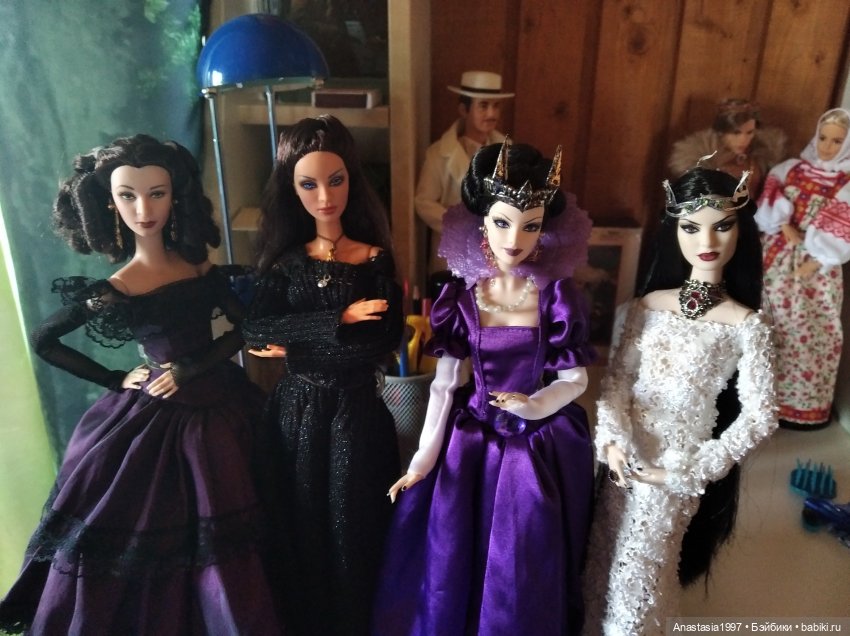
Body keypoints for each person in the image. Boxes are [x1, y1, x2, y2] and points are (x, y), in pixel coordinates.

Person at [0, 135, 282, 634]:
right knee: (146, 522)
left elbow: (244, 328)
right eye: (127, 195)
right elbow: (45, 341)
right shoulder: (120, 286)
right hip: (158, 415)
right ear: (110, 202)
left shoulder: (199, 267)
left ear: (176, 197)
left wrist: (189, 369)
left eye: (157, 193)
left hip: (223, 402)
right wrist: (115, 378)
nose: (143, 209)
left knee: (243, 513)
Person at [373, 140, 596, 635]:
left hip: (533, 445)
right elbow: (444, 386)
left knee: (523, 556)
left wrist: (536, 405)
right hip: (472, 440)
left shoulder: (556, 297)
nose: (515, 239)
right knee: (458, 548)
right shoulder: (461, 297)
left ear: (547, 230)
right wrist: (422, 460)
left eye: (531, 226)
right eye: (502, 222)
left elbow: (574, 379)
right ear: (480, 224)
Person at [582, 167, 778, 635]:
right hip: (625, 459)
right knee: (601, 560)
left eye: (722, 226)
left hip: (674, 467)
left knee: (640, 576)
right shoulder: (647, 306)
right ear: (675, 231)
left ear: (740, 230)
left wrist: (690, 470)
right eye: (691, 227)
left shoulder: (746, 323)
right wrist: (612, 440)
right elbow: (618, 382)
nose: (706, 240)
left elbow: (761, 415)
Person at [241, 115, 403, 636]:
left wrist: (295, 348)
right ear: (292, 190)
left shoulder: (374, 261)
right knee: (297, 518)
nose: (325, 197)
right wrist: (340, 319)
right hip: (294, 413)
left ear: (352, 180)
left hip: (354, 413)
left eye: (335, 181)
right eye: (309, 184)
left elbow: (380, 343)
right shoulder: (287, 263)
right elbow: (255, 328)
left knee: (352, 525)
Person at [755, 107, 850, 429]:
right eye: (823, 138)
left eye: (836, 141)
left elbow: (845, 224)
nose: (827, 146)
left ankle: (798, 407)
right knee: (763, 320)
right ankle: (753, 401)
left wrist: (820, 259)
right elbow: (769, 200)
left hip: (818, 264)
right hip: (776, 255)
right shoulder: (790, 169)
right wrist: (782, 224)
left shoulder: (846, 180)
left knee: (809, 329)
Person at [414, 70, 514, 275]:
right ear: (463, 109)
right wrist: (462, 224)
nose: (491, 114)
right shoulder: (439, 154)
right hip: (454, 254)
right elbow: (424, 202)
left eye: (496, 106)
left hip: (495, 253)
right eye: (483, 106)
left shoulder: (507, 151)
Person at [669, 98, 786, 196]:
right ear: (721, 132)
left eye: (749, 132)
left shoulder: (761, 159)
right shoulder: (705, 161)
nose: (743, 140)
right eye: (736, 133)